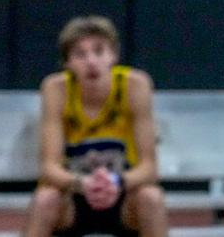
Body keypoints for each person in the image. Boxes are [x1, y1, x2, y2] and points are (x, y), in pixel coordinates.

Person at [22, 16, 167, 237]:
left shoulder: (135, 86)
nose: (91, 61)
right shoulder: (55, 89)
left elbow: (149, 168)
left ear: (113, 56)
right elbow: (49, 168)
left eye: (99, 52)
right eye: (80, 54)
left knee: (151, 197)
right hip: (75, 195)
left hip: (121, 196)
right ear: (67, 63)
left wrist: (116, 181)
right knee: (45, 199)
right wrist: (83, 183)